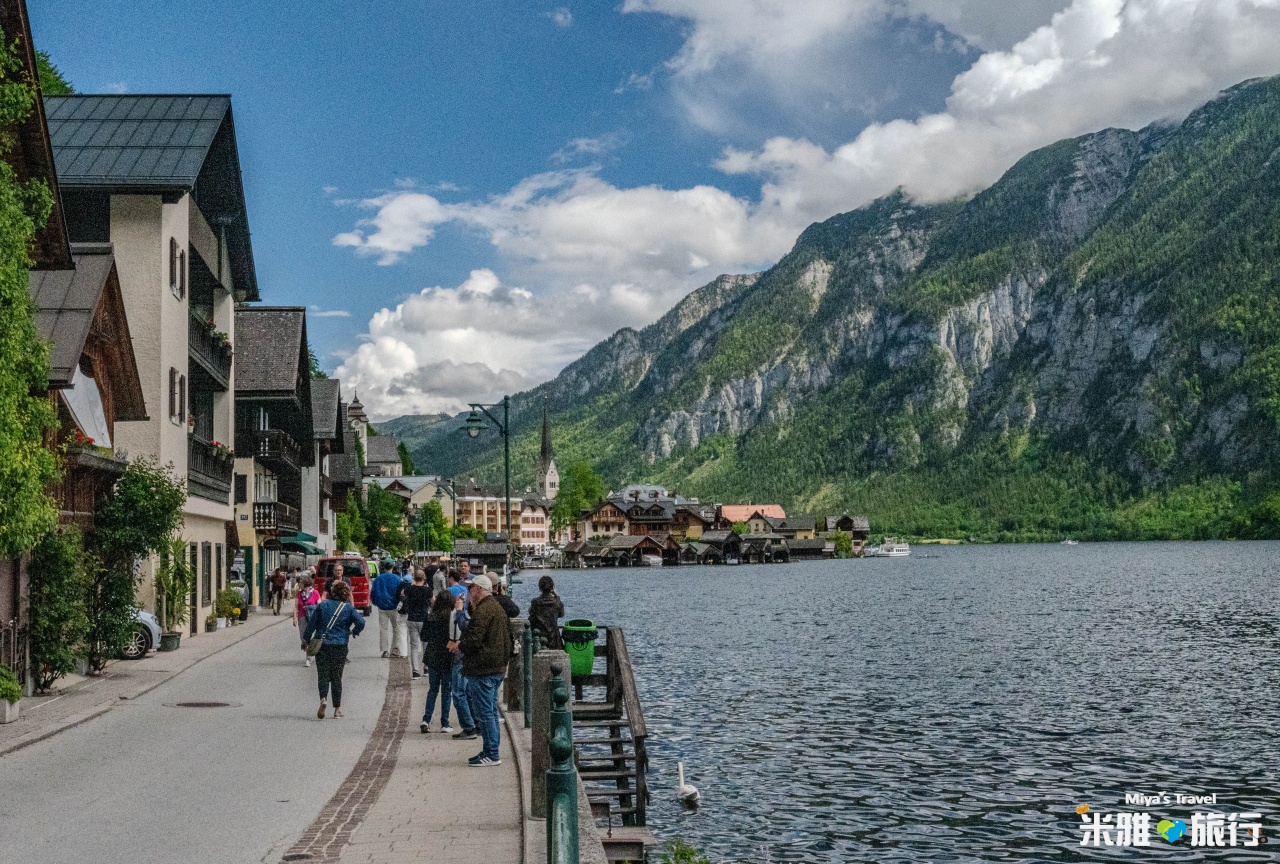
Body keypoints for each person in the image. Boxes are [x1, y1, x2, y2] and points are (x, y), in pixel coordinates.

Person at [460, 574, 511, 766]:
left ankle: (491, 752)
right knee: (489, 710)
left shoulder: (483, 610)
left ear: (478, 590)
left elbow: (474, 638)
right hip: (495, 666)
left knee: (486, 713)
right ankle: (491, 750)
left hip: (484, 668)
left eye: (471, 588)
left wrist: (460, 646)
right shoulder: (496, 607)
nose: (469, 592)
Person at [303, 580, 365, 719]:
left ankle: (323, 699)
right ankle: (337, 709)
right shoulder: (348, 608)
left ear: (332, 593)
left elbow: (311, 625)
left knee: (323, 675)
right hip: (340, 645)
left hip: (323, 645)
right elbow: (361, 621)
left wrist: (306, 640)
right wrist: (354, 631)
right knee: (337, 677)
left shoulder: (323, 606)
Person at [419, 590, 455, 733]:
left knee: (432, 689)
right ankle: (444, 723)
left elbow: (424, 636)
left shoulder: (430, 616)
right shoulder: (452, 618)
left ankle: (426, 719)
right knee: (446, 690)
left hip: (433, 655)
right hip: (447, 655)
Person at [447, 582, 477, 740]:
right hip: (465, 653)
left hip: (462, 654)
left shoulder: (466, 612)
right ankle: (475, 723)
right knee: (467, 692)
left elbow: (464, 626)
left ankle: (469, 726)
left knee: (458, 692)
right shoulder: (472, 608)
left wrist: (459, 610)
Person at [371, 559, 408, 658]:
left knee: (383, 629)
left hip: (382, 607)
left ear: (384, 567)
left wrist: (376, 602)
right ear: (392, 567)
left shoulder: (378, 579)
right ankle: (395, 649)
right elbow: (401, 593)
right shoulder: (397, 579)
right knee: (396, 628)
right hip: (394, 607)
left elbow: (373, 593)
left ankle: (385, 650)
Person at [401, 569, 433, 679]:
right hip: (424, 619)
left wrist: (412, 584)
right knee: (425, 644)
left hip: (412, 618)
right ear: (424, 578)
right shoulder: (428, 590)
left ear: (414, 578)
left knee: (414, 646)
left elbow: (402, 593)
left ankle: (415, 671)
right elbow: (433, 602)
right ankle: (426, 668)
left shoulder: (409, 588)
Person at [527, 575, 565, 650]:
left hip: (539, 637)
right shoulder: (556, 602)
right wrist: (557, 596)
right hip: (554, 638)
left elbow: (532, 618)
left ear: (540, 588)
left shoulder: (536, 602)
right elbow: (561, 614)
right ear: (552, 588)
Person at [294, 575, 321, 666]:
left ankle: (308, 658)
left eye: (300, 583)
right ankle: (308, 650)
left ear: (305, 583)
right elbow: (296, 606)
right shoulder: (299, 593)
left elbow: (320, 605)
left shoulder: (315, 593)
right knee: (304, 638)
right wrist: (294, 617)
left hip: (313, 618)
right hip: (302, 617)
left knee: (311, 636)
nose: (299, 584)